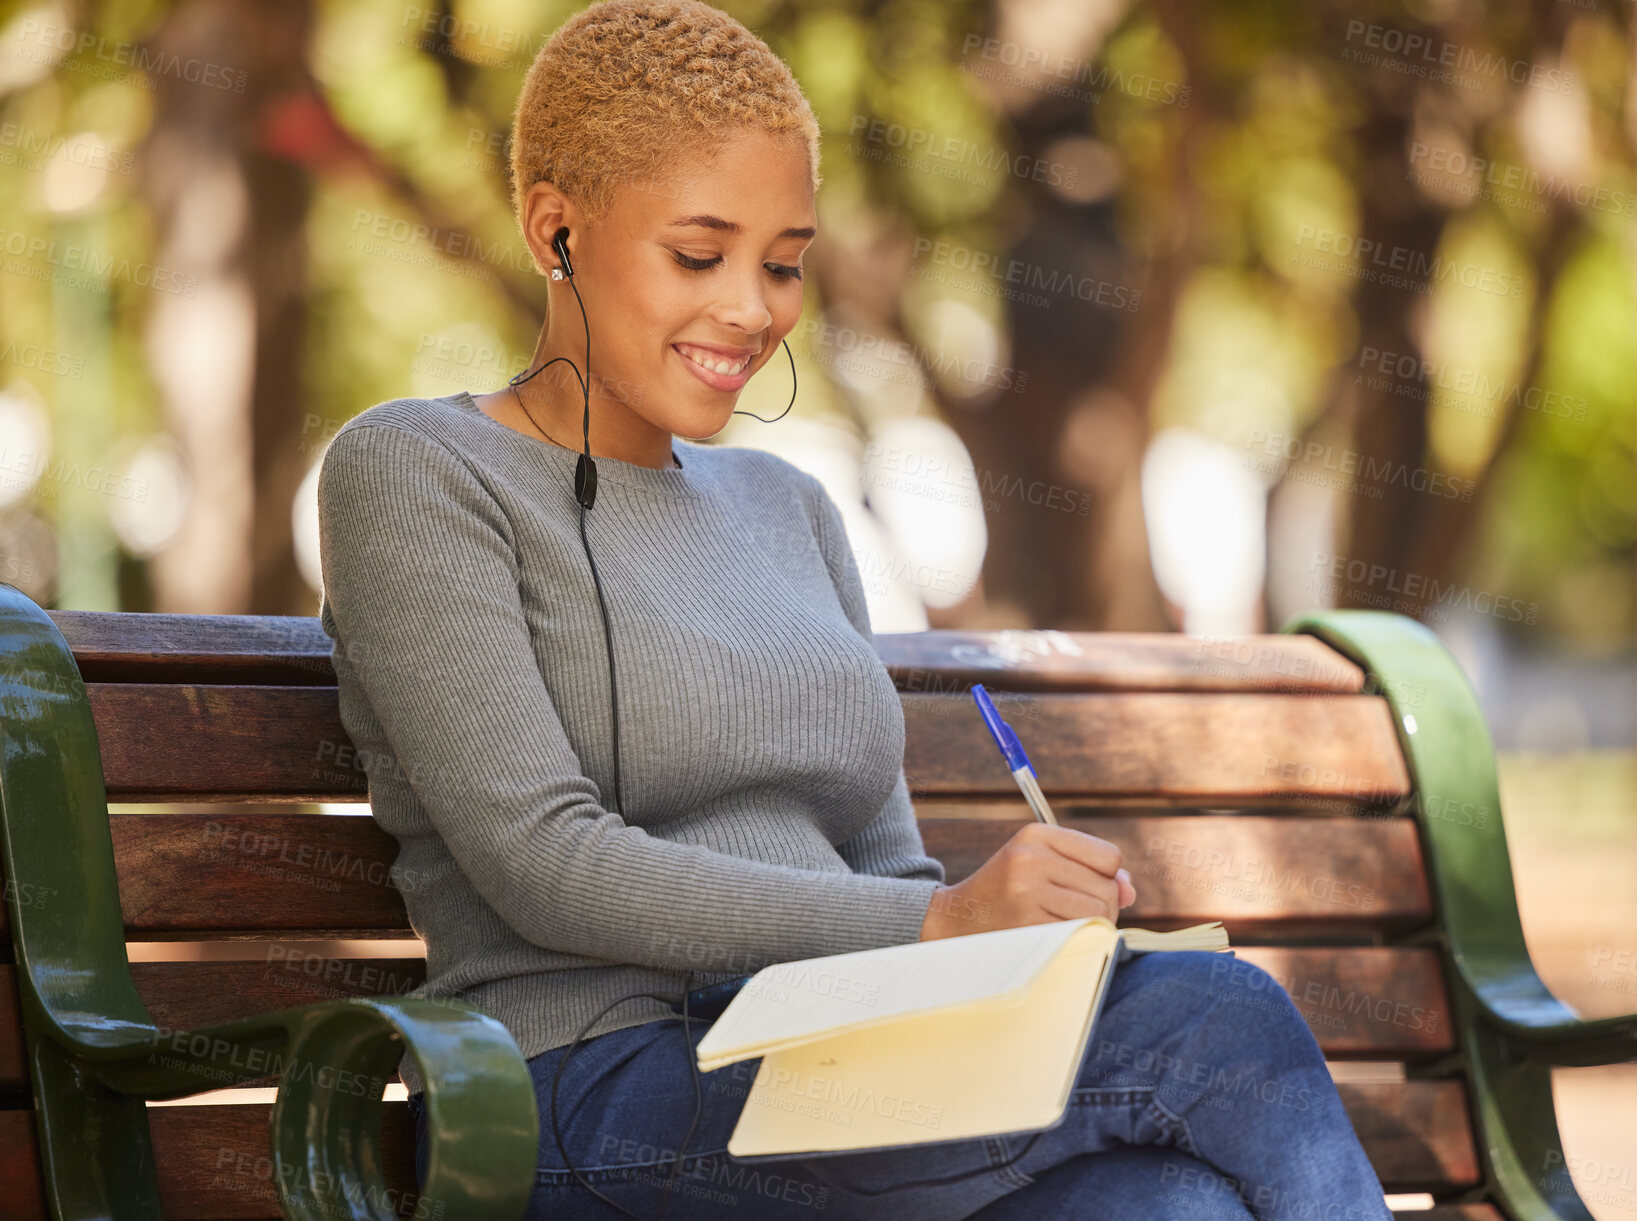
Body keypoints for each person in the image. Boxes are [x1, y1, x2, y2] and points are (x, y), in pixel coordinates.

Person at [314, 1, 1396, 1217]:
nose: (751, 310)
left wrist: (996, 943)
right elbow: (544, 865)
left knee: (1159, 1206)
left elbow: (886, 865)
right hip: (577, 1095)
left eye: (781, 263)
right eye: (698, 254)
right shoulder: (414, 469)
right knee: (1212, 1018)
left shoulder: (789, 506)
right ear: (554, 228)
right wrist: (936, 923)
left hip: (824, 1060)